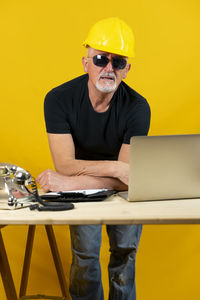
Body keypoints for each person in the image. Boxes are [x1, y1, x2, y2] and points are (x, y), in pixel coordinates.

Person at [37, 17, 151, 300]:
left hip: (96, 189)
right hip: (90, 189)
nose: (108, 68)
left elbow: (127, 183)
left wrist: (70, 182)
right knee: (86, 255)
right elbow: (67, 166)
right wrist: (117, 169)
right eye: (100, 59)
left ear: (127, 70)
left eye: (118, 62)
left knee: (125, 255)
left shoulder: (138, 108)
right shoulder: (58, 100)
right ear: (86, 62)